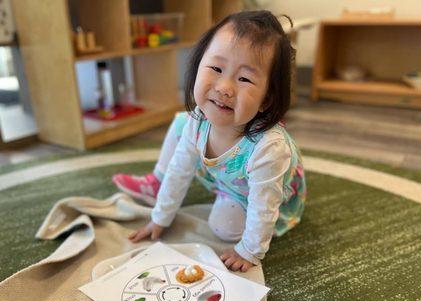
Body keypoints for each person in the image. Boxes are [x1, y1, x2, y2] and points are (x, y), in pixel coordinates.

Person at [113, 10, 306, 272]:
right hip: (228, 172)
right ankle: (156, 183)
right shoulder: (198, 121)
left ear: (267, 100)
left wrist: (249, 251)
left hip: (259, 192)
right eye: (216, 68)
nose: (225, 87)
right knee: (181, 123)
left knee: (223, 227)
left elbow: (264, 207)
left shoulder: (268, 149)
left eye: (245, 79)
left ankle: (226, 195)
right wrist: (160, 218)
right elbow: (179, 170)